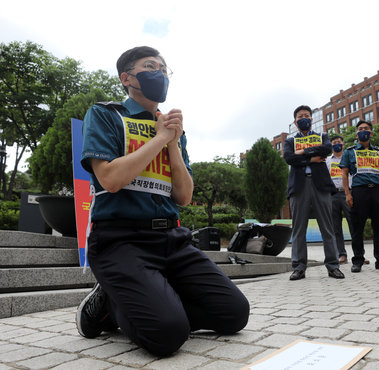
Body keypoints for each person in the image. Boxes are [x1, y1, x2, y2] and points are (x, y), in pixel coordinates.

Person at [75, 46, 250, 356]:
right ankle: (109, 306)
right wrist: (158, 139)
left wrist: (172, 144)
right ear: (127, 77)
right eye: (150, 65)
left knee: (235, 313)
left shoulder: (174, 132)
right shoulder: (106, 114)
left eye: (164, 68)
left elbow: (183, 196)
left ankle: (147, 299)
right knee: (168, 335)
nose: (160, 73)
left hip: (172, 239)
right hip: (121, 240)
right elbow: (111, 180)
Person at [283, 105, 345, 280]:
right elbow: (289, 158)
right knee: (298, 229)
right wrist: (311, 158)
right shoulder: (290, 141)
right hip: (299, 187)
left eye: (307, 115)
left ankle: (333, 266)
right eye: (300, 116)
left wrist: (302, 152)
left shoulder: (322, 136)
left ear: (311, 119)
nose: (304, 118)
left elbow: (326, 149)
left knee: (327, 227)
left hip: (321, 185)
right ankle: (299, 267)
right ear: (295, 122)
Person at [339, 120, 379, 272]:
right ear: (357, 133)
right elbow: (344, 173)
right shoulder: (349, 152)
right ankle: (357, 260)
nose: (363, 131)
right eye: (360, 129)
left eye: (366, 129)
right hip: (359, 192)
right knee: (358, 228)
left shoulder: (378, 152)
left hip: (377, 192)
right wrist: (347, 193)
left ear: (371, 133)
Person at [325, 135, 353, 264]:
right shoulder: (327, 161)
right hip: (333, 195)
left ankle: (359, 255)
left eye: (339, 142)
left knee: (354, 224)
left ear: (343, 144)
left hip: (348, 194)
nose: (337, 144)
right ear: (331, 146)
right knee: (336, 228)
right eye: (334, 143)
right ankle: (342, 255)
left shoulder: (350, 158)